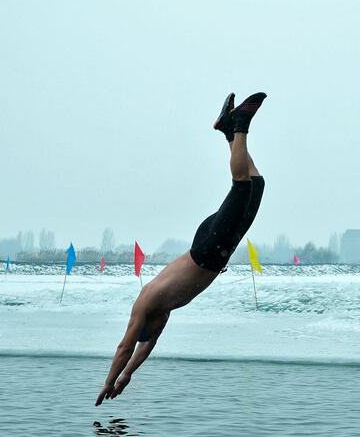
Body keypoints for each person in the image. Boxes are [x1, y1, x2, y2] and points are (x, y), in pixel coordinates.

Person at [95, 91, 267, 405]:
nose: (156, 330)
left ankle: (240, 124)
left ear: (142, 326)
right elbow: (144, 348)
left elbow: (125, 348)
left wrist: (109, 380)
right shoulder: (159, 316)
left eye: (150, 330)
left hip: (208, 248)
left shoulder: (146, 304)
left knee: (241, 184)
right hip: (215, 251)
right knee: (256, 186)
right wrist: (127, 376)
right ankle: (229, 130)